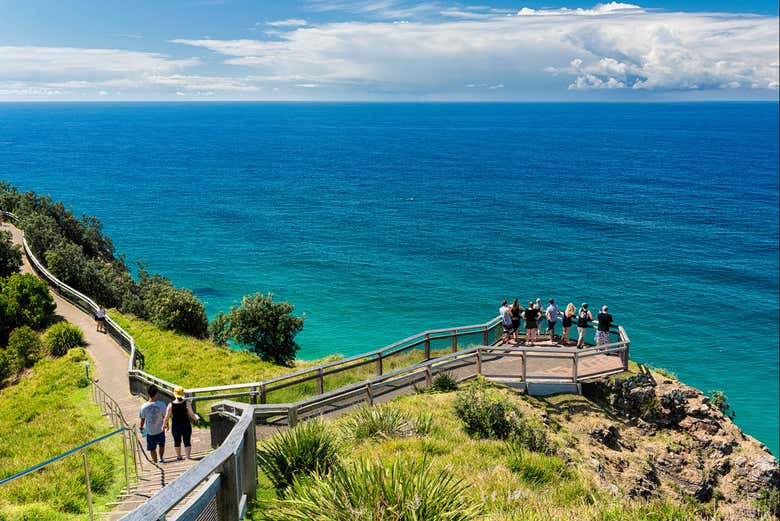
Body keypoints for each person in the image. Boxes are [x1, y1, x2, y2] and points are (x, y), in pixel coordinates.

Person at [164, 386, 200, 460]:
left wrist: (164, 425)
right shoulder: (187, 403)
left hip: (176, 425)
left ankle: (179, 456)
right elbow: (192, 414)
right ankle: (188, 457)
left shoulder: (171, 405)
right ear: (182, 394)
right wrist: (196, 419)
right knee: (187, 441)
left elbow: (166, 417)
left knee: (177, 441)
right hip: (186, 424)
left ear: (174, 394)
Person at [139, 385, 167, 464]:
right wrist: (166, 424)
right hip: (160, 429)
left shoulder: (144, 406)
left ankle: (155, 462)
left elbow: (142, 419)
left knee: (152, 448)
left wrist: (141, 427)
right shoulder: (162, 404)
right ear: (157, 393)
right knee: (162, 445)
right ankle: (161, 458)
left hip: (150, 431)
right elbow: (165, 416)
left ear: (148, 393)